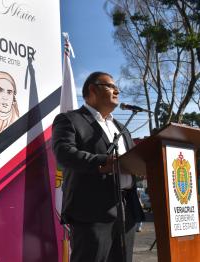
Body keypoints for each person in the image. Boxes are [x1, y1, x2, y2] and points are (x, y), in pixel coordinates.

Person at [52, 72, 144, 262]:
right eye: (110, 86)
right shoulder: (70, 120)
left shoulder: (121, 127)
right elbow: (64, 153)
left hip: (126, 210)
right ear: (92, 89)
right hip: (91, 211)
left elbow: (133, 160)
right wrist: (104, 163)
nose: (117, 90)